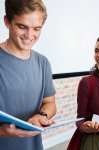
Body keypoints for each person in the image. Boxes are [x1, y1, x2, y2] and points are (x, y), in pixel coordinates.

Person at [0, 0, 56, 150]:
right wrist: (1, 131)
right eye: (22, 27)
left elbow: (50, 103)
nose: (30, 35)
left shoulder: (43, 62)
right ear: (7, 21)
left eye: (37, 28)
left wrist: (42, 116)